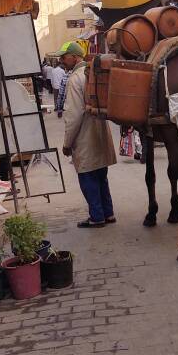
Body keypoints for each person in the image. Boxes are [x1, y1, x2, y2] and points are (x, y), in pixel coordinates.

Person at [60, 42, 117, 228]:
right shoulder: (94, 74)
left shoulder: (75, 79)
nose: (61, 60)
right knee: (101, 175)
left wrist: (67, 143)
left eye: (64, 56)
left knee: (87, 176)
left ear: (75, 57)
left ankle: (96, 216)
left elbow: (74, 115)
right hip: (100, 133)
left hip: (84, 136)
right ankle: (108, 214)